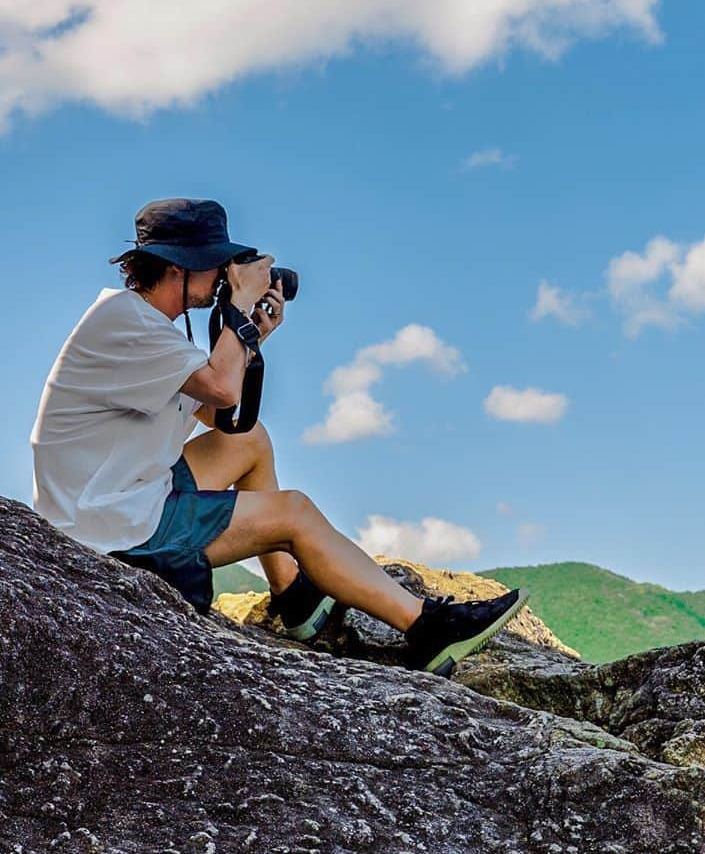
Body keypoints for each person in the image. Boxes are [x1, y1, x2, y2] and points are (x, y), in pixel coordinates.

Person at [30, 198, 527, 677]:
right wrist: (241, 307)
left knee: (250, 442)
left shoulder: (144, 324)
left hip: (118, 494)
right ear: (179, 267)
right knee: (294, 511)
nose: (223, 278)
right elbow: (223, 390)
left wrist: (254, 335)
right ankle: (426, 628)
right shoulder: (126, 323)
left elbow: (223, 418)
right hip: (109, 529)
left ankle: (291, 591)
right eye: (216, 265)